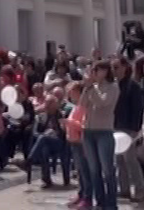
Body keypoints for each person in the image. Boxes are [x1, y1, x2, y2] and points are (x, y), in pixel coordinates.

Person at [80, 60, 120, 210]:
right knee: (94, 169)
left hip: (104, 131)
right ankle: (100, 201)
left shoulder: (113, 87)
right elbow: (82, 104)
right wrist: (87, 87)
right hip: (89, 131)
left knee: (107, 169)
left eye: (97, 70)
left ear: (105, 71)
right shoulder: (92, 87)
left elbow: (102, 102)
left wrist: (91, 88)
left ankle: (111, 203)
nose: (94, 73)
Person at [113, 57, 144, 203]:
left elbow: (138, 109)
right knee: (119, 160)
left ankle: (140, 190)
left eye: (116, 67)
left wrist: (136, 130)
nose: (114, 70)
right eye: (113, 67)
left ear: (125, 67)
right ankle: (124, 189)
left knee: (130, 160)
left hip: (129, 128)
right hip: (116, 127)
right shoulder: (114, 85)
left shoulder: (133, 86)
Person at [64, 81, 93, 209]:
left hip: (81, 143)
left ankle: (87, 198)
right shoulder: (75, 106)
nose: (71, 95)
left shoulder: (85, 107)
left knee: (85, 171)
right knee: (80, 171)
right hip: (73, 142)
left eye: (73, 92)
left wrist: (70, 123)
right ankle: (81, 194)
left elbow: (84, 126)